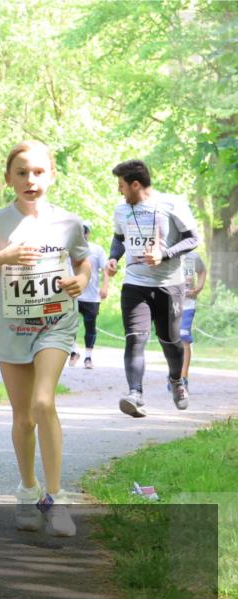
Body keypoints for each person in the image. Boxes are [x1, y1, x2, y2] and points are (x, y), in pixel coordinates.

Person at [0, 140, 90, 537]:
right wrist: (2, 257)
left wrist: (81, 279)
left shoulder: (68, 223)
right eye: (21, 172)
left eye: (38, 172)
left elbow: (83, 259)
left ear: (51, 175)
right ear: (8, 179)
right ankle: (27, 490)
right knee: (22, 418)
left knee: (42, 402)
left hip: (55, 323)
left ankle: (55, 499)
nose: (30, 179)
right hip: (13, 328)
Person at [106, 159, 200, 418]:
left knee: (170, 341)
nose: (119, 191)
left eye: (122, 186)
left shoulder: (171, 203)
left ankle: (176, 381)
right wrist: (114, 257)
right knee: (135, 339)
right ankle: (134, 394)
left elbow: (193, 238)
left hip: (170, 285)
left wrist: (165, 254)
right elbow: (119, 238)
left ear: (136, 184)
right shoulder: (121, 210)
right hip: (135, 283)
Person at [68, 223, 108, 369]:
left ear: (88, 233)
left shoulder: (97, 249)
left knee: (90, 326)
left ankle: (88, 357)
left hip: (91, 296)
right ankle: (73, 352)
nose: (82, 234)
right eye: (79, 231)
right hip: (73, 293)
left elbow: (105, 269)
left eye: (84, 231)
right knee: (68, 325)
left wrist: (105, 287)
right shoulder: (68, 247)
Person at [169, 249, 207, 391]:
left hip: (188, 304)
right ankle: (174, 374)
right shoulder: (167, 253)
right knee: (172, 341)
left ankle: (183, 378)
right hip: (170, 305)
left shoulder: (193, 256)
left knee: (184, 337)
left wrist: (198, 288)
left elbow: (202, 271)